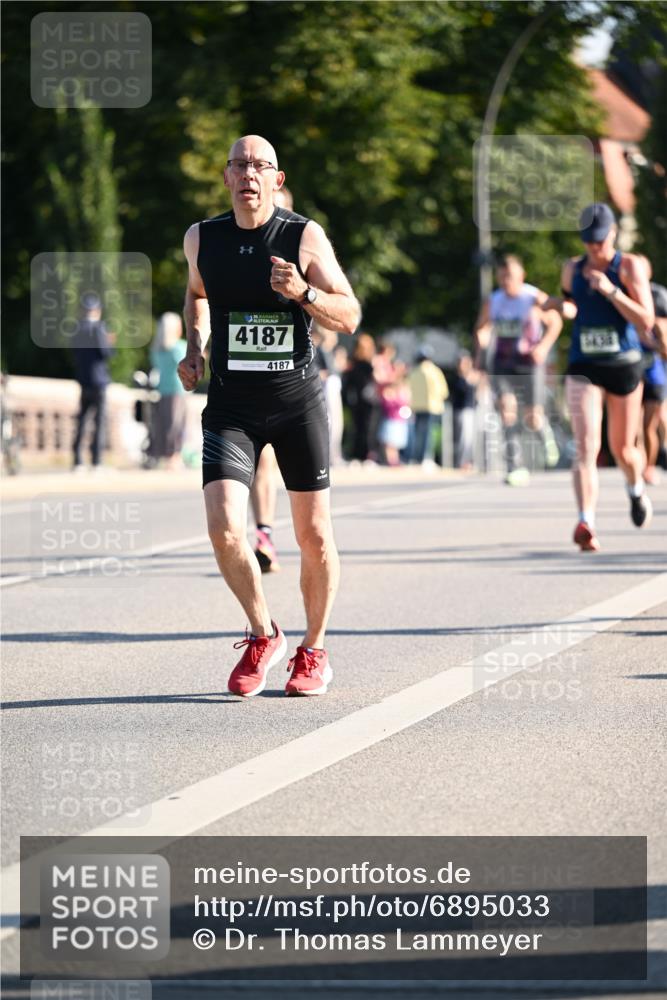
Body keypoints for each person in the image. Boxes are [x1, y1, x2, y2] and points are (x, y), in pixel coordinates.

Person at [178, 135, 360, 697]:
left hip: (296, 403)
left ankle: (314, 649)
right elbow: (197, 293)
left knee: (315, 536)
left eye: (261, 166)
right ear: (227, 177)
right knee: (225, 528)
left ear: (276, 180)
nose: (249, 173)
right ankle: (264, 632)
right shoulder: (200, 238)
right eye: (240, 165)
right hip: (232, 405)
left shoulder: (303, 236)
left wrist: (304, 292)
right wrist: (195, 347)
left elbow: (349, 313)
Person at [543, 203, 655, 551]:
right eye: (589, 241)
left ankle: (635, 489)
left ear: (613, 234)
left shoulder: (630, 266)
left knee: (622, 448)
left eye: (600, 241)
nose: (594, 248)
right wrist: (557, 306)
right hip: (584, 364)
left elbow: (646, 320)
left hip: (623, 364)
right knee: (586, 446)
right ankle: (586, 521)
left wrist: (611, 290)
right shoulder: (572, 269)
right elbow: (572, 307)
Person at [474, 255, 562, 485]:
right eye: (501, 277)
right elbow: (482, 328)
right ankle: (514, 464)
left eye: (510, 277)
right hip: (502, 363)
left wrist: (543, 347)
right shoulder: (493, 300)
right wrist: (480, 353)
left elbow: (555, 322)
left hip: (528, 362)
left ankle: (543, 431)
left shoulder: (532, 298)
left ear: (521, 276)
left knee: (532, 417)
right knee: (506, 409)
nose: (505, 282)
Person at [250, 185, 295, 574]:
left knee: (291, 471)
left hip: (293, 384)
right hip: (250, 379)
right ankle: (264, 535)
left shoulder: (303, 248)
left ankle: (305, 538)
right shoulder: (238, 248)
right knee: (262, 464)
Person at [71, 293, 114, 471]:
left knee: (82, 420)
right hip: (99, 381)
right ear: (97, 310)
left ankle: (78, 460)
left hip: (84, 379)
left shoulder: (77, 329)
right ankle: (96, 460)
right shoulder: (99, 328)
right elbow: (105, 353)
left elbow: (74, 354)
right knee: (99, 421)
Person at [636, 256, 667, 486]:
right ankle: (637, 464)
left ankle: (649, 466)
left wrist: (658, 337)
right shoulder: (623, 292)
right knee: (632, 424)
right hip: (630, 365)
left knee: (651, 424)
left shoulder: (658, 295)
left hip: (655, 365)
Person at [149, 312, 188, 470]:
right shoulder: (179, 346)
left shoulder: (156, 348)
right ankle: (174, 456)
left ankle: (164, 455)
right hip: (178, 389)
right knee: (176, 425)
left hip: (162, 389)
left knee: (164, 424)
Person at [407, 345, 449, 466]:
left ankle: (416, 457)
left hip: (416, 406)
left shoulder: (414, 372)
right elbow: (443, 391)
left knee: (418, 433)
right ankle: (425, 458)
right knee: (428, 433)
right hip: (432, 407)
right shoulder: (434, 371)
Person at [343, 333, 379, 462]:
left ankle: (360, 454)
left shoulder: (354, 363)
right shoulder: (365, 364)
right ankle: (364, 455)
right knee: (365, 428)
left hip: (358, 399)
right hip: (365, 399)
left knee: (360, 428)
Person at [450, 351, 479, 471]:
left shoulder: (472, 377)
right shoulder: (458, 379)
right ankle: (462, 462)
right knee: (464, 439)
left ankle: (469, 461)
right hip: (462, 411)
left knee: (471, 439)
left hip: (472, 411)